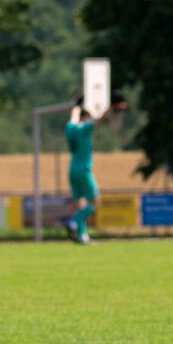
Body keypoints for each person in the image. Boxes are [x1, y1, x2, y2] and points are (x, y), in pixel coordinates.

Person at [64, 95, 125, 244]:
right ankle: (73, 223)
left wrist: (76, 106)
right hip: (84, 171)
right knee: (94, 202)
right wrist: (111, 106)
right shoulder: (84, 129)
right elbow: (101, 120)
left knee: (81, 205)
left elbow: (73, 118)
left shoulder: (70, 128)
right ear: (85, 118)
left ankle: (82, 236)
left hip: (72, 170)